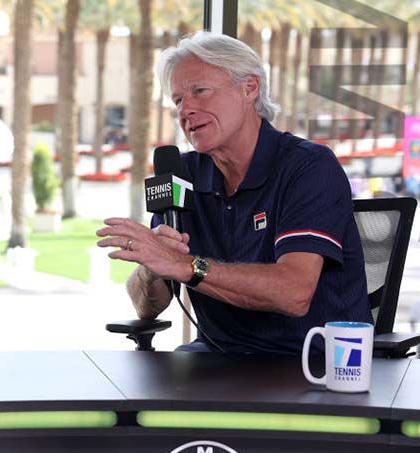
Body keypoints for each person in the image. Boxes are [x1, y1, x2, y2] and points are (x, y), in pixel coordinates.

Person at [96, 31, 371, 355]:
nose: (187, 110)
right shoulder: (183, 174)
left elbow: (293, 293)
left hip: (311, 366)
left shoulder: (308, 167)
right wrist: (153, 266)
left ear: (249, 88)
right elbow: (147, 307)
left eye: (200, 91)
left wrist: (185, 265)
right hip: (217, 359)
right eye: (179, 100)